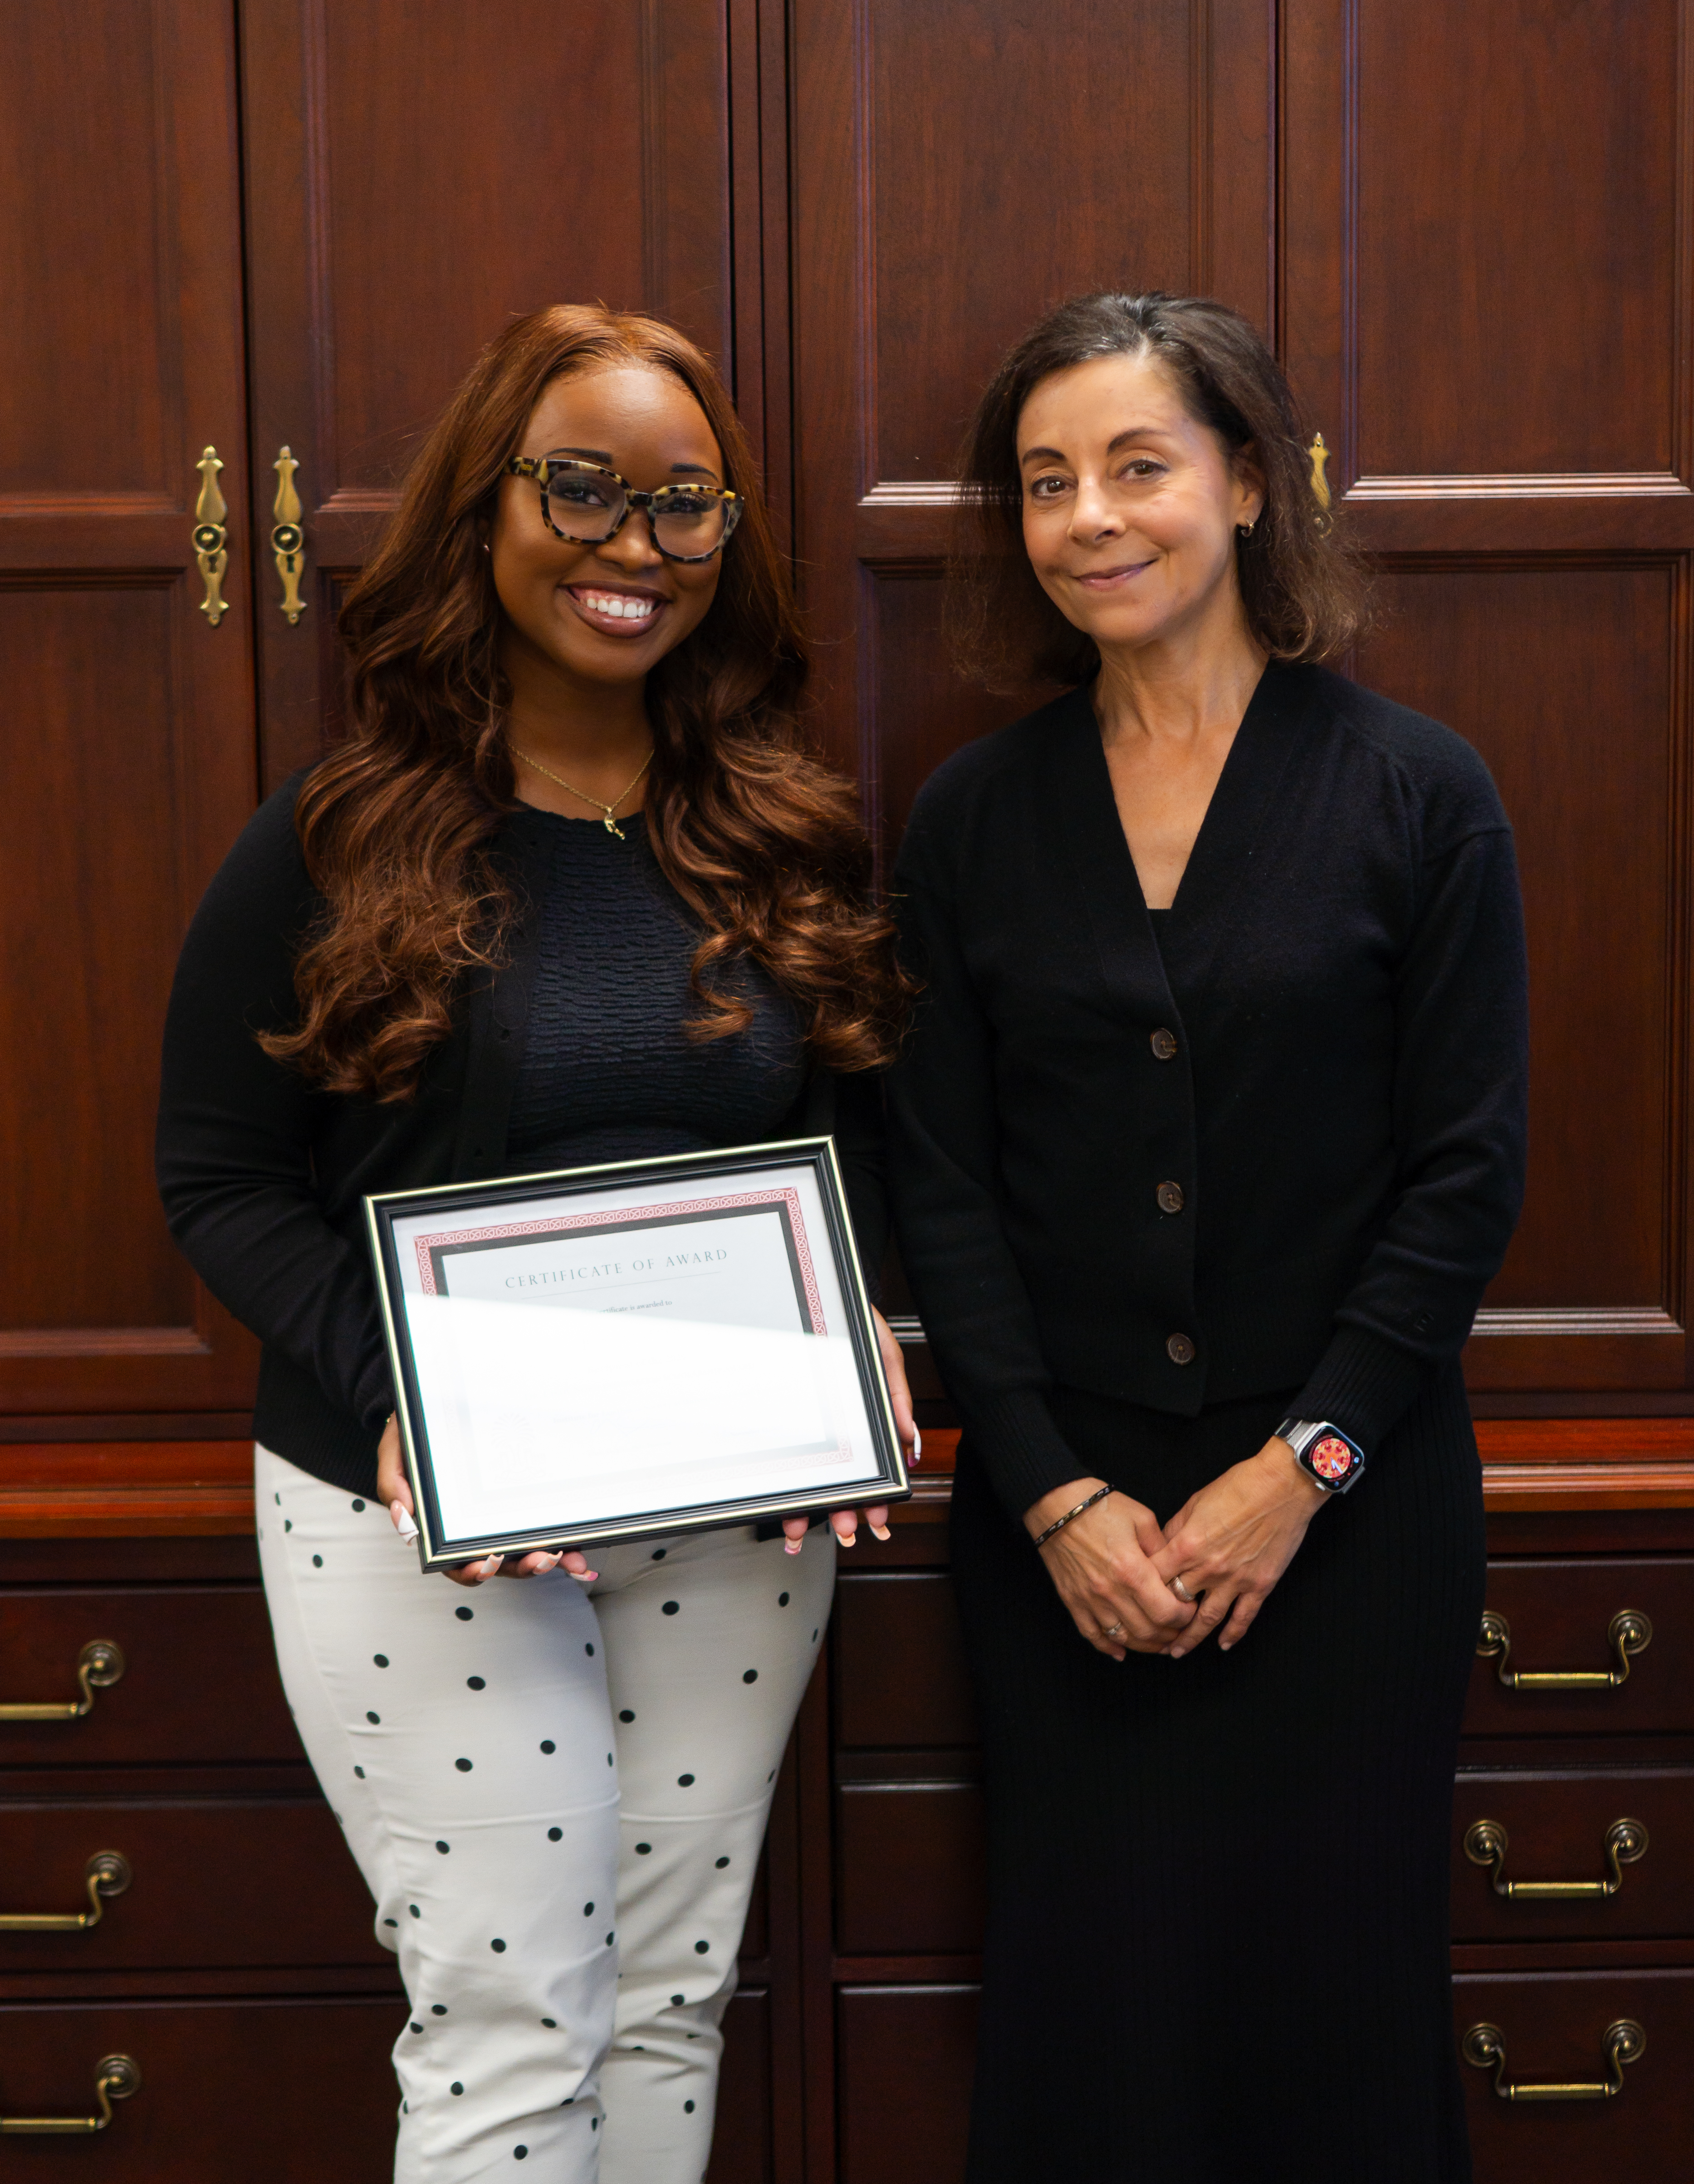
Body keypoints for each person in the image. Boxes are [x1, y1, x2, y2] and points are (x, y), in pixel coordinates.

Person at [156, 304, 914, 2184]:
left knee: (665, 1987)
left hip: (738, 1490)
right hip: (416, 1496)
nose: (630, 546)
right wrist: (396, 1388)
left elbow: (859, 1142)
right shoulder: (341, 833)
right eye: (580, 487)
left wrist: (874, 1341)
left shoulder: (780, 831)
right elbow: (217, 1175)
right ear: (483, 509)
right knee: (508, 2014)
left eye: (682, 504)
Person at [886, 291, 1527, 2183]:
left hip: (1351, 1513)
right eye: (1045, 479)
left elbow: (1464, 1175)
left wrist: (1301, 1464)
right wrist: (1053, 1495)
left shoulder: (1417, 789)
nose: (1090, 514)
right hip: (1065, 1533)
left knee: (1336, 2014)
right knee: (1097, 2028)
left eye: (1137, 465)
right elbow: (940, 1184)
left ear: (1245, 482)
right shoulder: (973, 816)